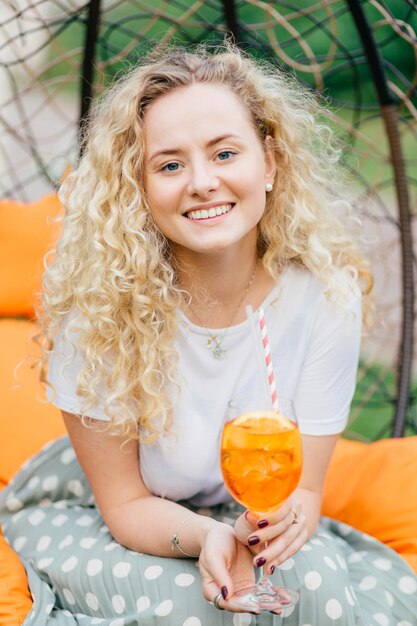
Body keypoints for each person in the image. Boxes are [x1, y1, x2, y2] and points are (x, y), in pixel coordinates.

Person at [1, 43, 416, 626]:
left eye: (225, 153)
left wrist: (264, 532)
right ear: (137, 188)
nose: (202, 182)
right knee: (200, 610)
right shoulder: (99, 308)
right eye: (169, 165)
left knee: (314, 588)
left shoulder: (325, 299)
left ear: (269, 163)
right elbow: (123, 505)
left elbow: (302, 496)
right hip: (108, 509)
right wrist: (206, 538)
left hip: (241, 507)